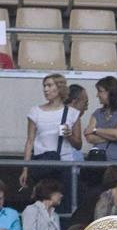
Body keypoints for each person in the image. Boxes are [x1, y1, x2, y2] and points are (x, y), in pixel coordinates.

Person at [21, 73, 81, 202]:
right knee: (42, 204)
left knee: (64, 204)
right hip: (43, 164)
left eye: (49, 85)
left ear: (59, 88)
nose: (45, 89)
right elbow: (29, 141)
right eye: (44, 86)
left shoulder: (72, 113)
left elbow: (78, 144)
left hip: (64, 164)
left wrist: (69, 135)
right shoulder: (35, 111)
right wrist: (25, 168)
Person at [84, 76, 117, 167]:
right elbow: (89, 138)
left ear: (111, 92)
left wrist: (96, 130)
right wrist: (116, 136)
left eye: (100, 91)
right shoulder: (97, 113)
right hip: (98, 161)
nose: (97, 95)